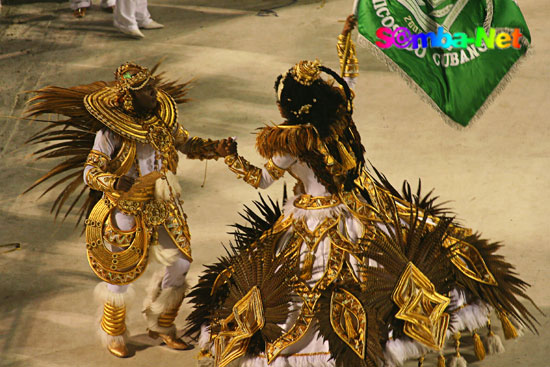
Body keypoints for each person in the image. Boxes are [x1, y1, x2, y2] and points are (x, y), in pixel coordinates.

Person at [185, 16, 538, 367]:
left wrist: (230, 157)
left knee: (310, 283)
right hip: (358, 207)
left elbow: (260, 181)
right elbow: (349, 77)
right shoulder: (340, 113)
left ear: (289, 108)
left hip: (310, 220)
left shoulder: (288, 143)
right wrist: (345, 38)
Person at [24, 62, 235, 358]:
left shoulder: (163, 119)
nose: (155, 93)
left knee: (181, 264)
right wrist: (113, 180)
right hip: (125, 208)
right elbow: (90, 171)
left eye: (152, 87)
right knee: (118, 276)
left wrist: (217, 148)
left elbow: (188, 143)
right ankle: (114, 332)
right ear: (130, 99)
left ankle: (162, 326)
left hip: (163, 203)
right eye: (148, 91)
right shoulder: (110, 133)